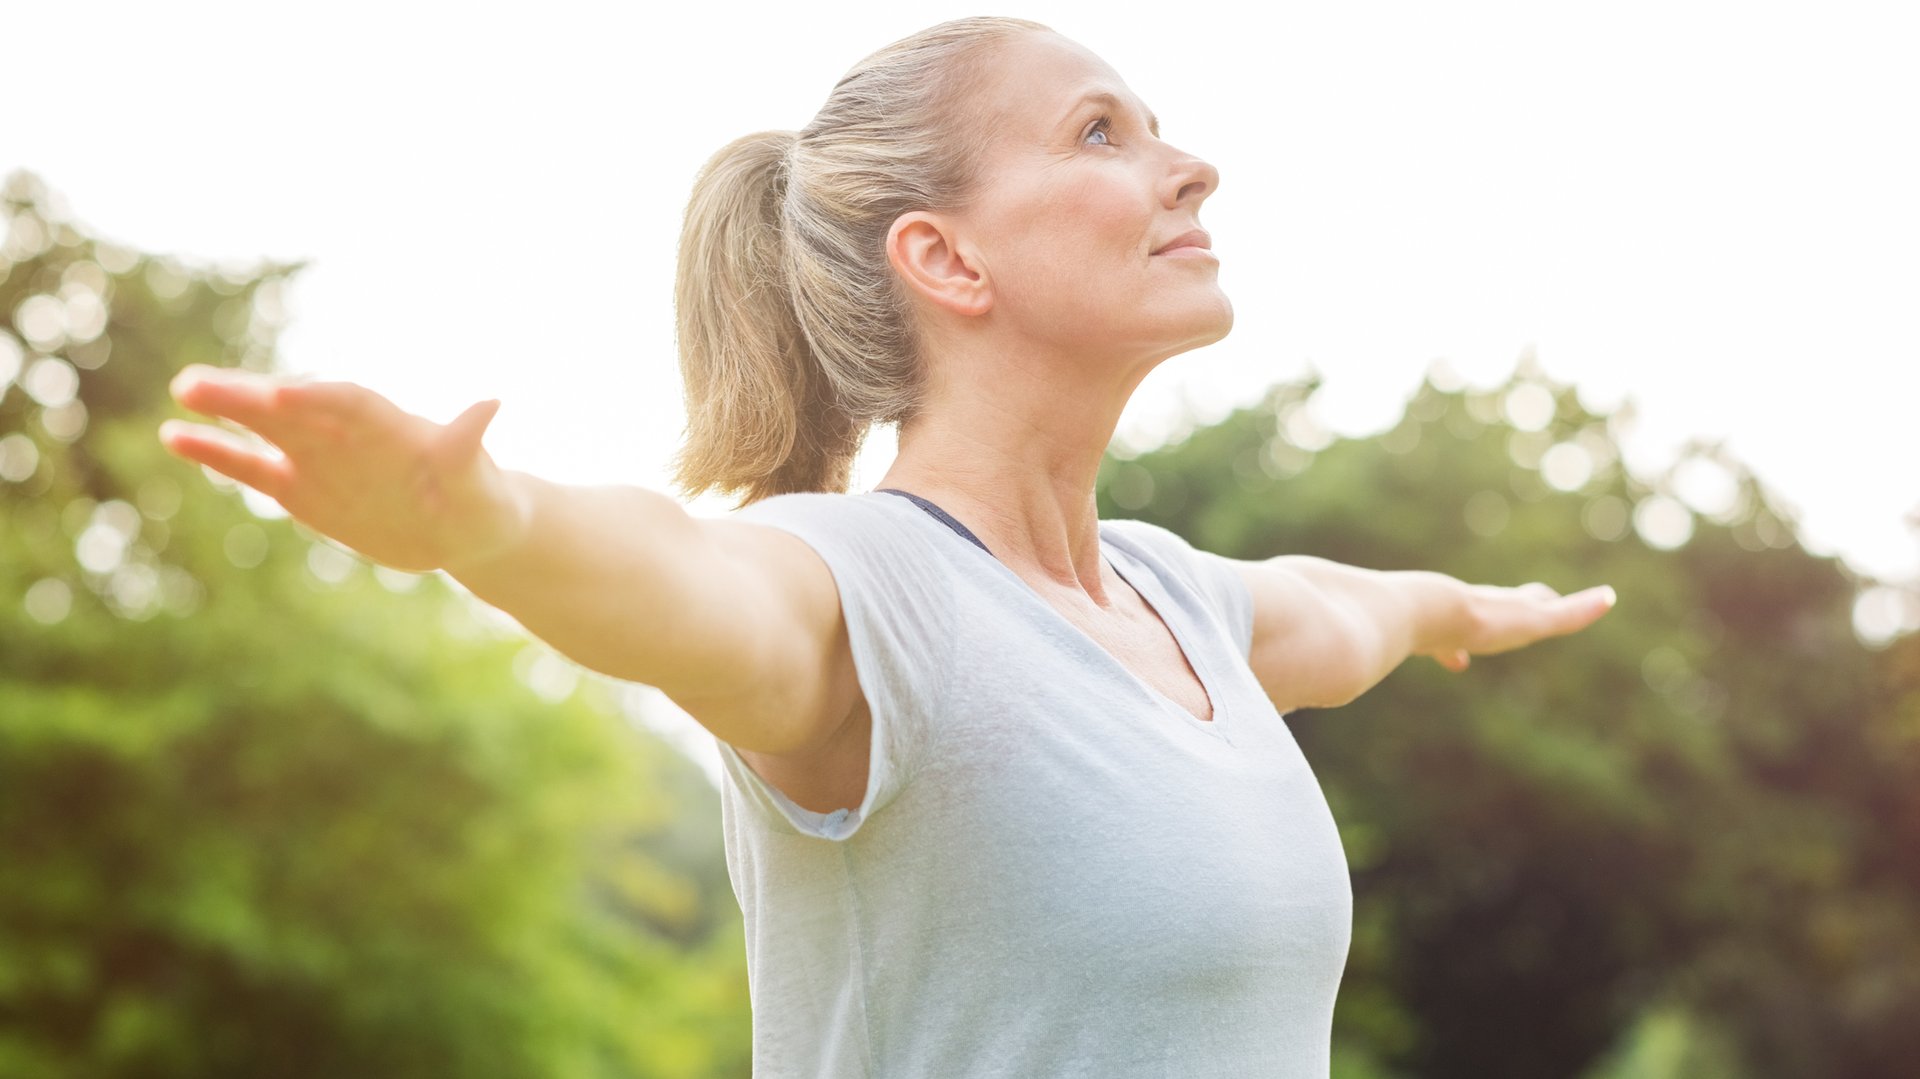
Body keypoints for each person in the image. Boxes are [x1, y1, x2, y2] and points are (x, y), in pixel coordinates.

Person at [158, 16, 1616, 1077]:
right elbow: (678, 577)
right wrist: (491, 525)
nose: (1193, 169)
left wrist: (1471, 608)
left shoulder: (1190, 605)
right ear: (946, 257)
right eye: (1103, 131)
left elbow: (1352, 612)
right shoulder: (867, 591)